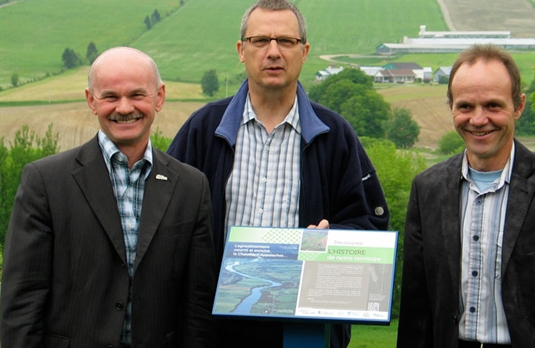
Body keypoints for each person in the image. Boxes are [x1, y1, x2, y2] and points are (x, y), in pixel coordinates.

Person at [166, 0, 389, 346]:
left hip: (301, 332)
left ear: (304, 51)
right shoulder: (203, 129)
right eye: (260, 41)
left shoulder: (335, 135)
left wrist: (333, 241)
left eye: (286, 41)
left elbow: (370, 224)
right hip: (212, 329)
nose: (273, 52)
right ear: (242, 50)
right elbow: (164, 218)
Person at [396, 43, 535, 348]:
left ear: (519, 106)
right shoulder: (427, 189)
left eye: (492, 105)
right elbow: (416, 303)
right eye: (465, 106)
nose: (477, 119)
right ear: (452, 108)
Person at [0, 47, 219, 347]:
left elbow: (198, 306)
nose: (125, 107)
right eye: (111, 97)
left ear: (160, 97)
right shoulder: (45, 182)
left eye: (137, 95)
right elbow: (22, 301)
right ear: (92, 100)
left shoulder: (191, 187)